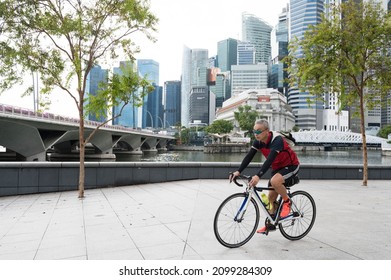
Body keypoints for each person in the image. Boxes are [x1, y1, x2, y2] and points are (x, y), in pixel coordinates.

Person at [229, 119, 300, 234]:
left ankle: (287, 201)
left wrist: (258, 176)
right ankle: (271, 224)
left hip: (291, 165)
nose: (256, 134)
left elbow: (269, 160)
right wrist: (238, 171)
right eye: (254, 131)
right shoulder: (258, 141)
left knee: (275, 181)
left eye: (259, 131)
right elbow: (249, 157)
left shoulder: (276, 140)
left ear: (267, 131)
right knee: (271, 199)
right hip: (277, 168)